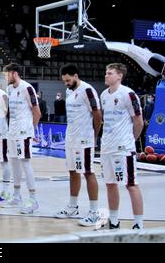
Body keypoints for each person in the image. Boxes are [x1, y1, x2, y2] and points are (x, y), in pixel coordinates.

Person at [55, 64, 104, 227]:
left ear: (75, 76)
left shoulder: (87, 90)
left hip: (85, 139)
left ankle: (94, 212)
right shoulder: (69, 91)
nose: (66, 83)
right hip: (71, 138)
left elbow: (97, 115)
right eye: (64, 81)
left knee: (88, 172)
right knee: (73, 172)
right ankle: (73, 207)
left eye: (68, 80)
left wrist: (94, 135)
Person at [100, 63, 144, 229]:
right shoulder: (104, 95)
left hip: (123, 149)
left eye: (109, 73)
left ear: (119, 76)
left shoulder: (128, 94)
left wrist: (130, 140)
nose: (106, 75)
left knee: (131, 185)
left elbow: (138, 122)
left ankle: (139, 223)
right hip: (106, 148)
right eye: (106, 72)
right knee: (110, 184)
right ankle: (113, 220)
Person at [0, 63, 41, 214]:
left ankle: (33, 199)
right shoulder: (10, 89)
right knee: (14, 163)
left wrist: (32, 131)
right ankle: (17, 195)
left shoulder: (27, 88)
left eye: (7, 75)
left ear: (15, 73)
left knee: (25, 163)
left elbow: (37, 112)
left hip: (24, 132)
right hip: (12, 131)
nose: (6, 78)